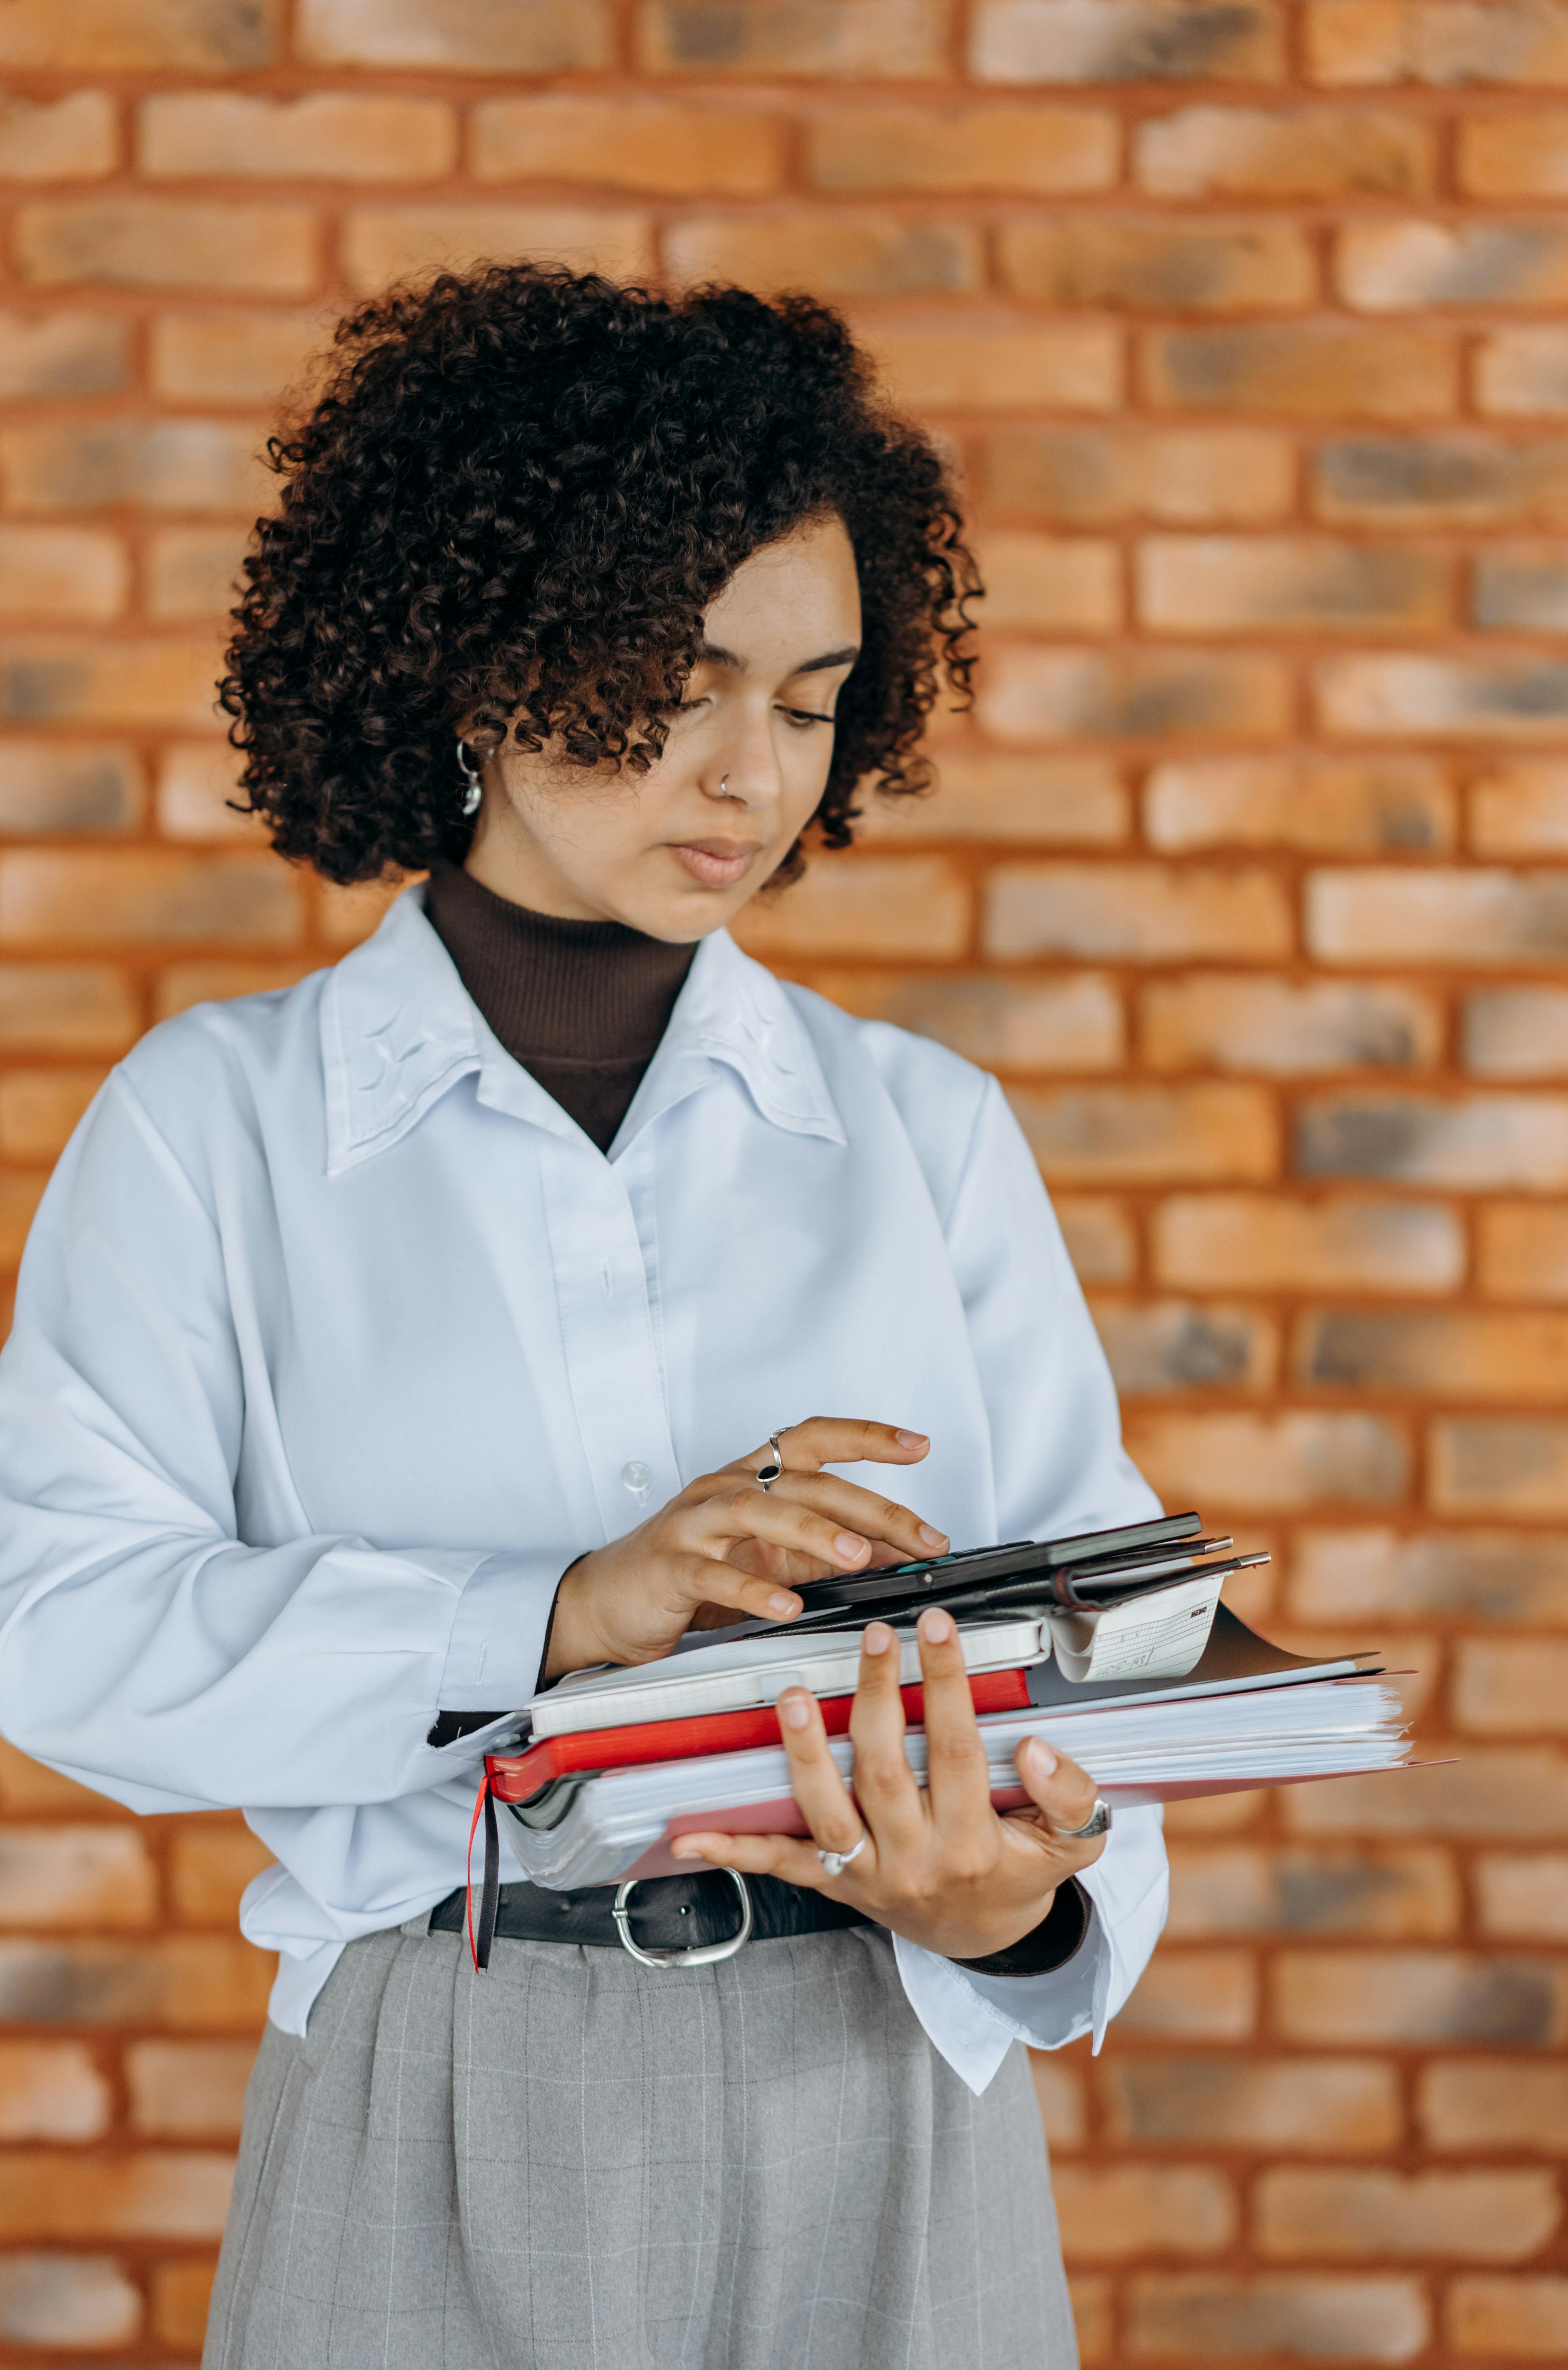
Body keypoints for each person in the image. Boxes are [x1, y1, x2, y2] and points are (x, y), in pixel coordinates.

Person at [0, 264, 1168, 2370]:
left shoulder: (926, 1133)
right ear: (476, 662)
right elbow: (59, 1630)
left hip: (885, 2092)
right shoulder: (214, 1129)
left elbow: (1097, 1645)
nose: (749, 774)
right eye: (677, 681)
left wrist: (1026, 1902)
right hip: (439, 2065)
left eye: (809, 700)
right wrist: (549, 1614)